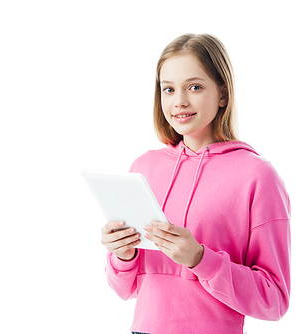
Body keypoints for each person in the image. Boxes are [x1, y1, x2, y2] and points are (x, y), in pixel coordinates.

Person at [100, 34, 291, 334]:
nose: (180, 101)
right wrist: (123, 254)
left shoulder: (257, 176)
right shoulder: (143, 168)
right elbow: (125, 290)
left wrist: (201, 259)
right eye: (168, 89)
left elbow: (274, 299)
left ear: (223, 94)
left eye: (195, 87)